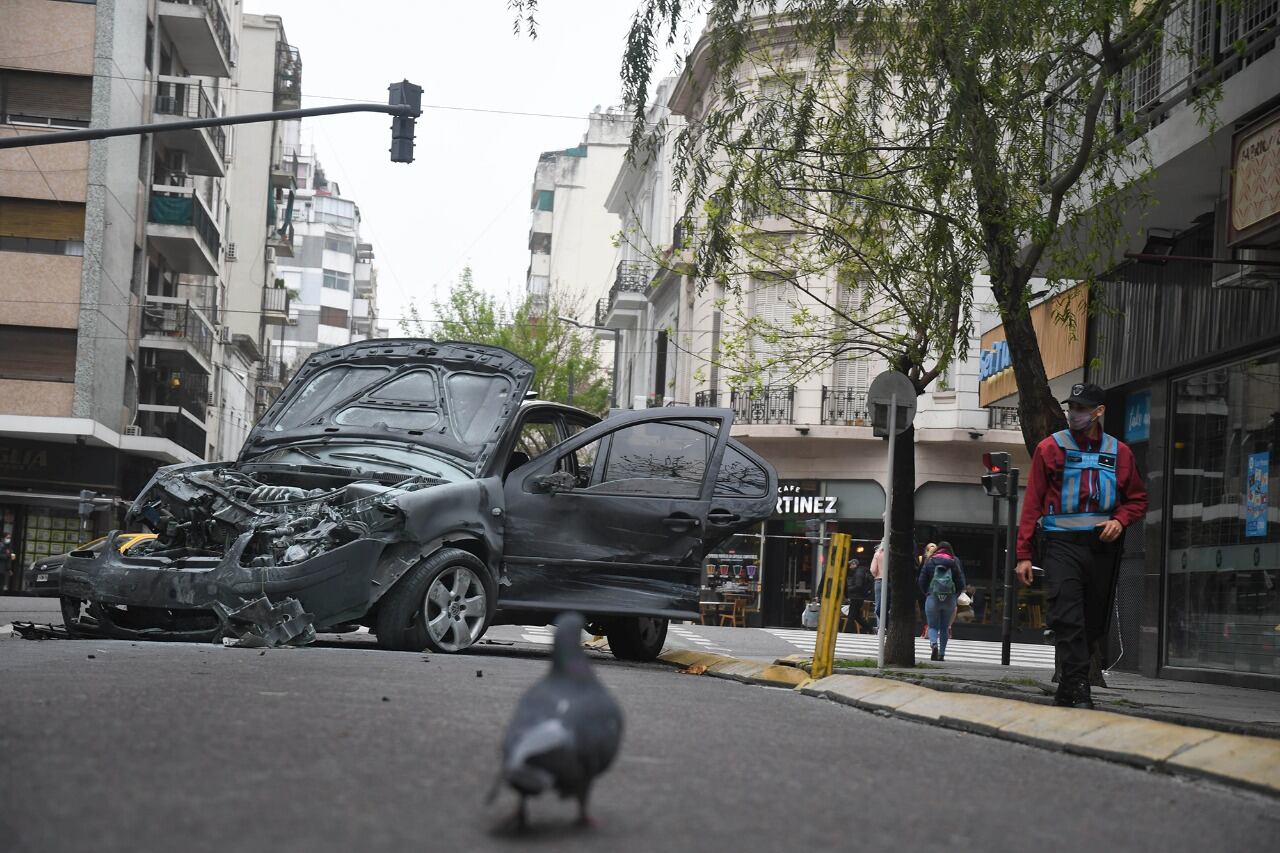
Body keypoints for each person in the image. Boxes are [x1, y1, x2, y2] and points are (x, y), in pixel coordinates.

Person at [1016, 382, 1148, 709]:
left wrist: (1119, 520)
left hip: (1102, 549)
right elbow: (1032, 503)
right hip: (1061, 546)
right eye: (1072, 407)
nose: (1074, 413)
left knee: (1091, 622)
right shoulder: (1050, 449)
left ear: (1098, 412)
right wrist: (1024, 554)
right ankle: (1077, 686)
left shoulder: (1120, 453)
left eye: (1081, 408)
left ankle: (1067, 685)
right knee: (1067, 614)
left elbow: (1137, 500)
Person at [918, 541, 966, 660]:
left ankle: (934, 644)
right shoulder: (954, 561)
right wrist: (955, 595)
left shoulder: (930, 561)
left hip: (932, 597)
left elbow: (921, 580)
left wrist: (927, 593)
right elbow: (961, 583)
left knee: (932, 625)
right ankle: (942, 654)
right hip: (949, 599)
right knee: (945, 627)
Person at [844, 557, 875, 633]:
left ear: (855, 564)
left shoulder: (858, 573)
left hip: (856, 597)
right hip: (858, 597)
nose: (849, 566)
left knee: (851, 615)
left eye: (851, 564)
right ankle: (871, 629)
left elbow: (858, 585)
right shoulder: (859, 571)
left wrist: (849, 589)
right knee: (857, 616)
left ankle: (847, 632)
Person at [869, 543, 885, 627]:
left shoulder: (878, 554)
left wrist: (877, 575)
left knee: (879, 604)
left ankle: (880, 627)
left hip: (879, 580)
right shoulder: (895, 554)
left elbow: (873, 569)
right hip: (892, 582)